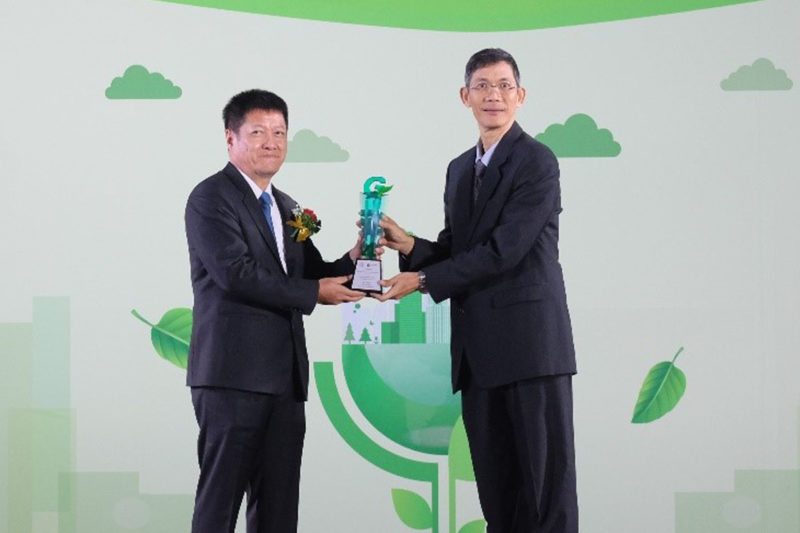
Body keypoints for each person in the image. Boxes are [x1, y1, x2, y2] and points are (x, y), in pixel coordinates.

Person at [377, 49, 578, 532]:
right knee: (497, 494)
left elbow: (503, 251)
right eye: (483, 86)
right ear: (464, 96)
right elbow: (459, 249)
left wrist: (422, 280)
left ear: (521, 96)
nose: (494, 95)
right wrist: (410, 246)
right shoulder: (459, 169)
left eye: (504, 86)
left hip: (531, 351)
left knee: (545, 494)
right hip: (479, 356)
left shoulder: (537, 161)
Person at [184, 89, 365, 533]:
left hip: (285, 381)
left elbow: (313, 272)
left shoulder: (287, 207)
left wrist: (359, 256)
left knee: (279, 509)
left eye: (280, 133)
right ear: (230, 138)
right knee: (219, 504)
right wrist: (313, 293)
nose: (271, 142)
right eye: (258, 132)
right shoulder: (210, 198)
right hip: (232, 378)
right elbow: (236, 274)